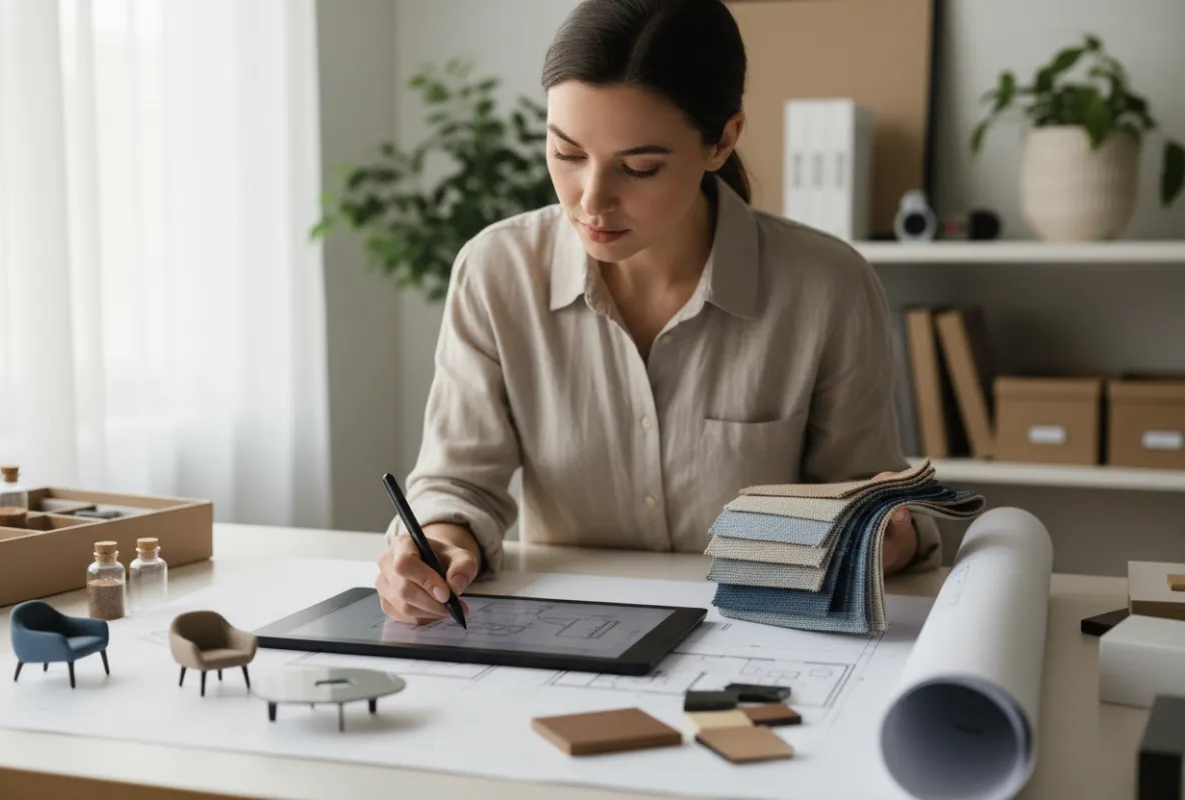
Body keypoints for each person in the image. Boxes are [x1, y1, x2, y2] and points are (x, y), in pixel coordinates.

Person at [375, 0, 940, 624]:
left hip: (764, 634)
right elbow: (458, 483)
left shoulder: (827, 287)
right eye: (566, 153)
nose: (591, 200)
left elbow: (872, 502)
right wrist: (439, 543)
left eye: (639, 167)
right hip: (572, 628)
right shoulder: (495, 272)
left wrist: (887, 537)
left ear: (721, 140)